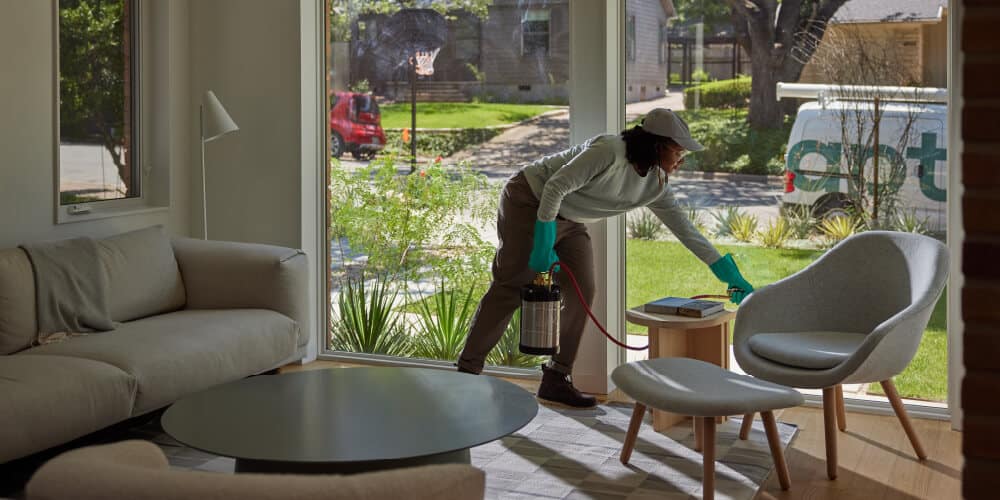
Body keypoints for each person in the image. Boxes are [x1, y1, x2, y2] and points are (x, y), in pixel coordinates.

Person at [456, 108, 754, 408]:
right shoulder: (609, 150)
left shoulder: (656, 184)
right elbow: (555, 186)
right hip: (529, 199)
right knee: (511, 286)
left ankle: (556, 378)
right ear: (656, 145)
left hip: (570, 218)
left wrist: (726, 272)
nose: (681, 161)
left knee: (583, 289)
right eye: (678, 152)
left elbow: (686, 231)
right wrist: (544, 237)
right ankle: (467, 373)